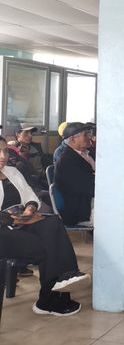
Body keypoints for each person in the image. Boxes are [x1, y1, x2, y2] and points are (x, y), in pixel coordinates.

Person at [0, 135, 91, 316]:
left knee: (52, 223)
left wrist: (30, 208)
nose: (3, 156)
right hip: (3, 232)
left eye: (5, 151)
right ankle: (50, 299)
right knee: (50, 247)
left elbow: (30, 196)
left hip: (19, 223)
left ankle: (67, 277)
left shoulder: (12, 172)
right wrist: (11, 219)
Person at [54, 123, 95, 226]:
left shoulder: (88, 153)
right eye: (85, 135)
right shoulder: (67, 161)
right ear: (73, 139)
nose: (90, 137)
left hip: (93, 198)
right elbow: (87, 187)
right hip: (82, 207)